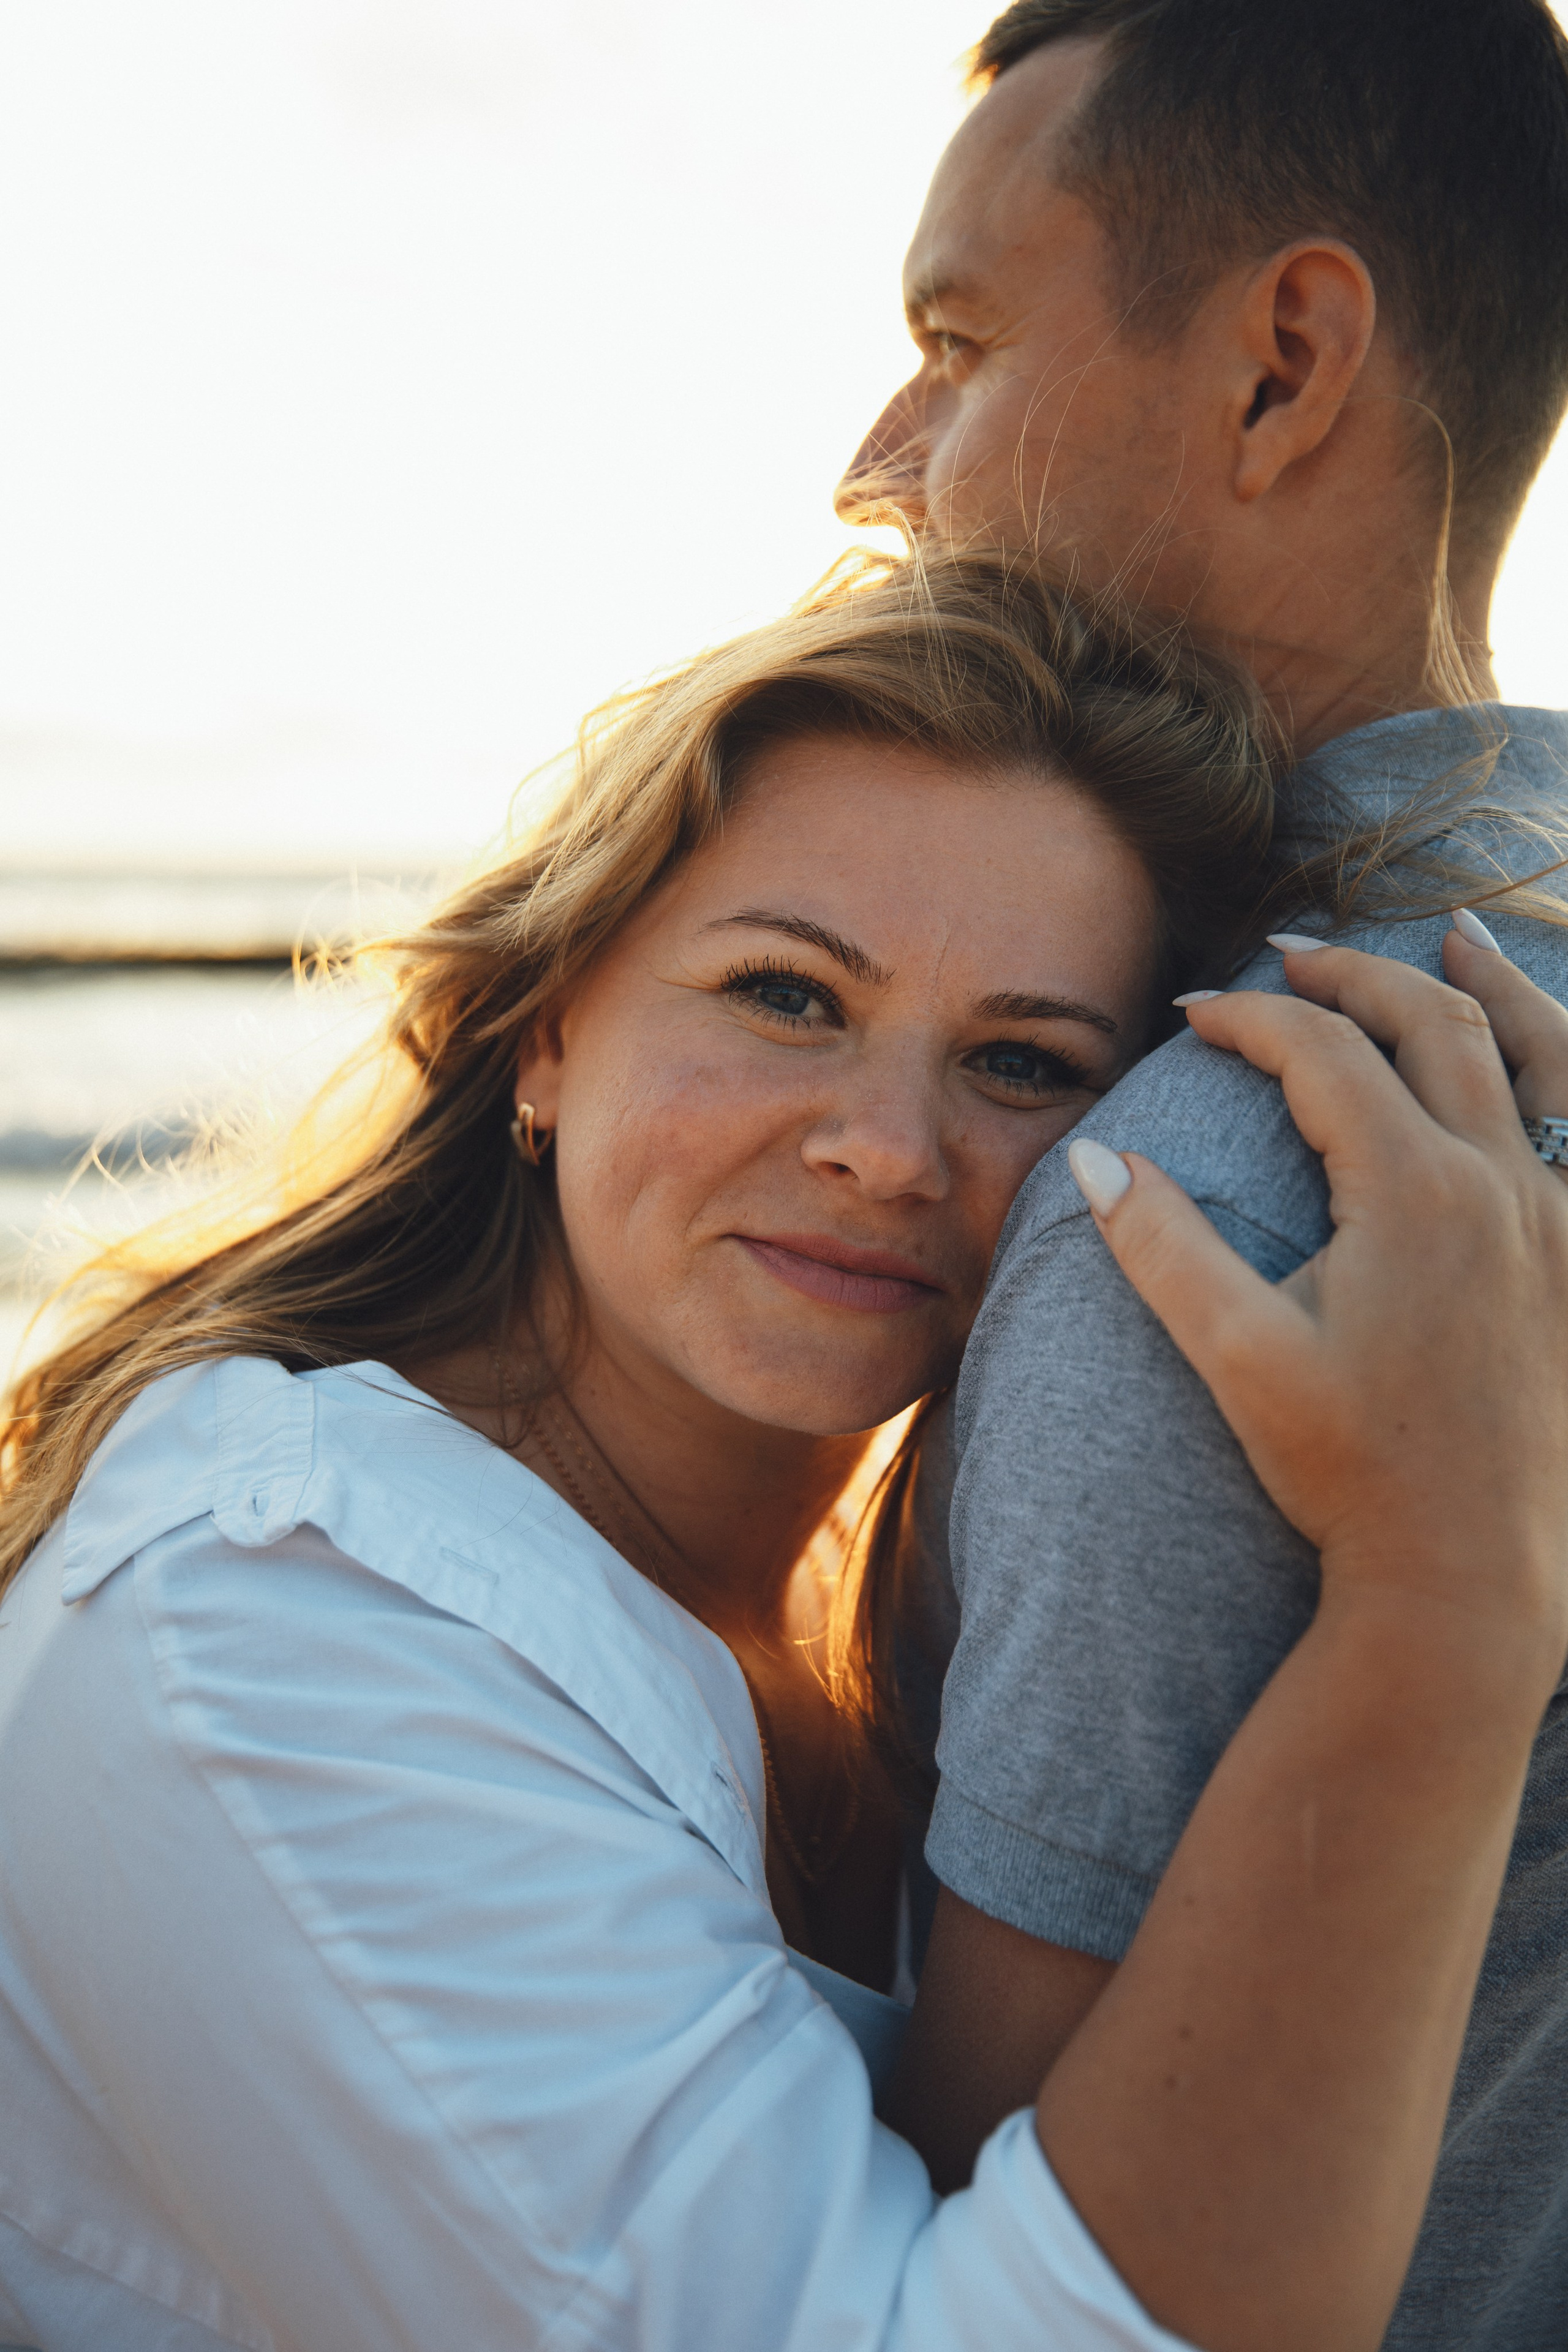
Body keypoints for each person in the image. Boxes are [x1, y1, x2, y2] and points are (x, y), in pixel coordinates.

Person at [2, 546, 1566, 2352]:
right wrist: (1450, 1591)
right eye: (787, 997)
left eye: (1025, 1065)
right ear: (541, 1032)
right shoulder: (277, 1627)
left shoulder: (847, 1623)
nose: (890, 1151)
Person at [835, 9, 1568, 2340]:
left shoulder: (1229, 1202)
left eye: (954, 345)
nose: (876, 468)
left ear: (1282, 367)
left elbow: (989, 2277)